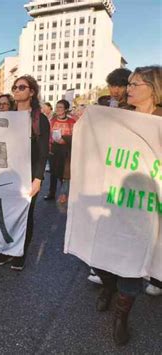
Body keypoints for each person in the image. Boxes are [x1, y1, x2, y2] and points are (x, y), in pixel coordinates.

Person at [93, 65, 161, 346]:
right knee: (99, 257)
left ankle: (121, 316)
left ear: (154, 88)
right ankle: (109, 286)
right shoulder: (119, 117)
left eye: (135, 84)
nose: (128, 89)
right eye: (128, 84)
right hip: (113, 198)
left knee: (134, 262)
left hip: (147, 204)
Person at [0, 75, 50, 270]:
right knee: (5, 212)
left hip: (28, 175)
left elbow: (43, 153)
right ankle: (5, 248)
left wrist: (38, 179)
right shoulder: (6, 117)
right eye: (15, 87)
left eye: (22, 87)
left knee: (25, 213)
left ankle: (20, 252)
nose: (17, 90)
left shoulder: (39, 119)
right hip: (6, 175)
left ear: (32, 92)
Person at [44, 99, 76, 203]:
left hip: (66, 150)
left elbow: (76, 136)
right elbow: (48, 135)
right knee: (53, 173)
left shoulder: (72, 122)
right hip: (54, 149)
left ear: (66, 109)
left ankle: (64, 194)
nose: (58, 109)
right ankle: (51, 193)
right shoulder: (52, 121)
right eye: (57, 107)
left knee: (64, 174)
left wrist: (65, 139)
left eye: (60, 107)